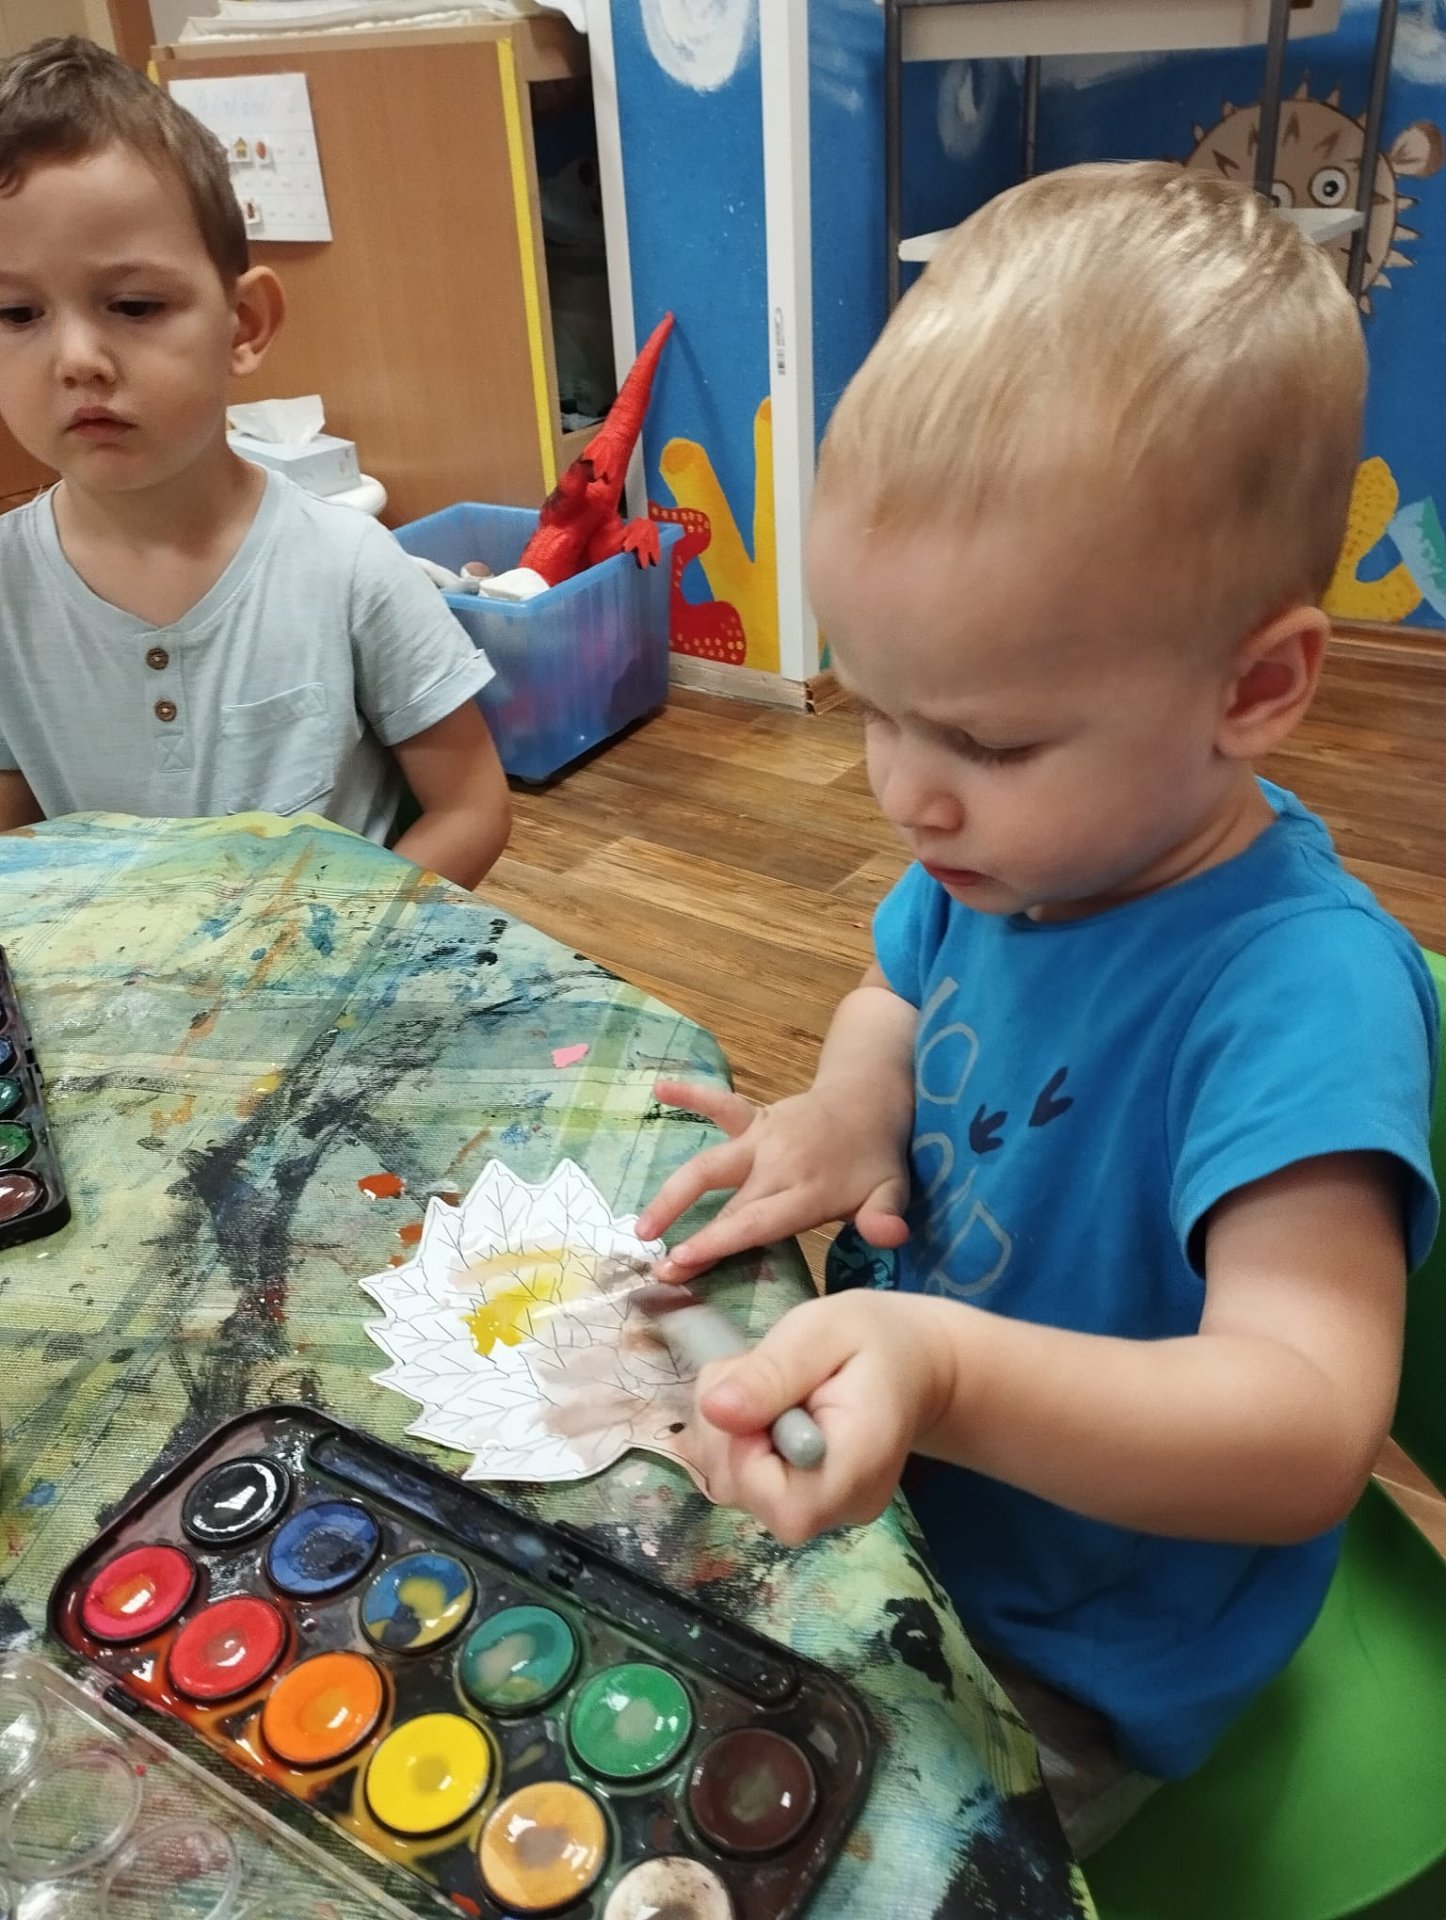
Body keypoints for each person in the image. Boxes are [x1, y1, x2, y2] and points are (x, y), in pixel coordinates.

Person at [636, 163, 1440, 1854]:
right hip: (897, 1505)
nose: (907, 794)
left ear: (1255, 686)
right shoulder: (1007, 857)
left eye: (986, 740)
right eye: (878, 709)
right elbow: (891, 985)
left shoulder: (1296, 993)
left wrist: (941, 1370)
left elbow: (1304, 1424)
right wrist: (854, 1102)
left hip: (1072, 1652)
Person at [0, 37, 511, 889]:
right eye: (17, 314)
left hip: (335, 953)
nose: (78, 359)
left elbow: (470, 807)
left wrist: (343, 937)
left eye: (134, 305)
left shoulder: (348, 566)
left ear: (244, 325)